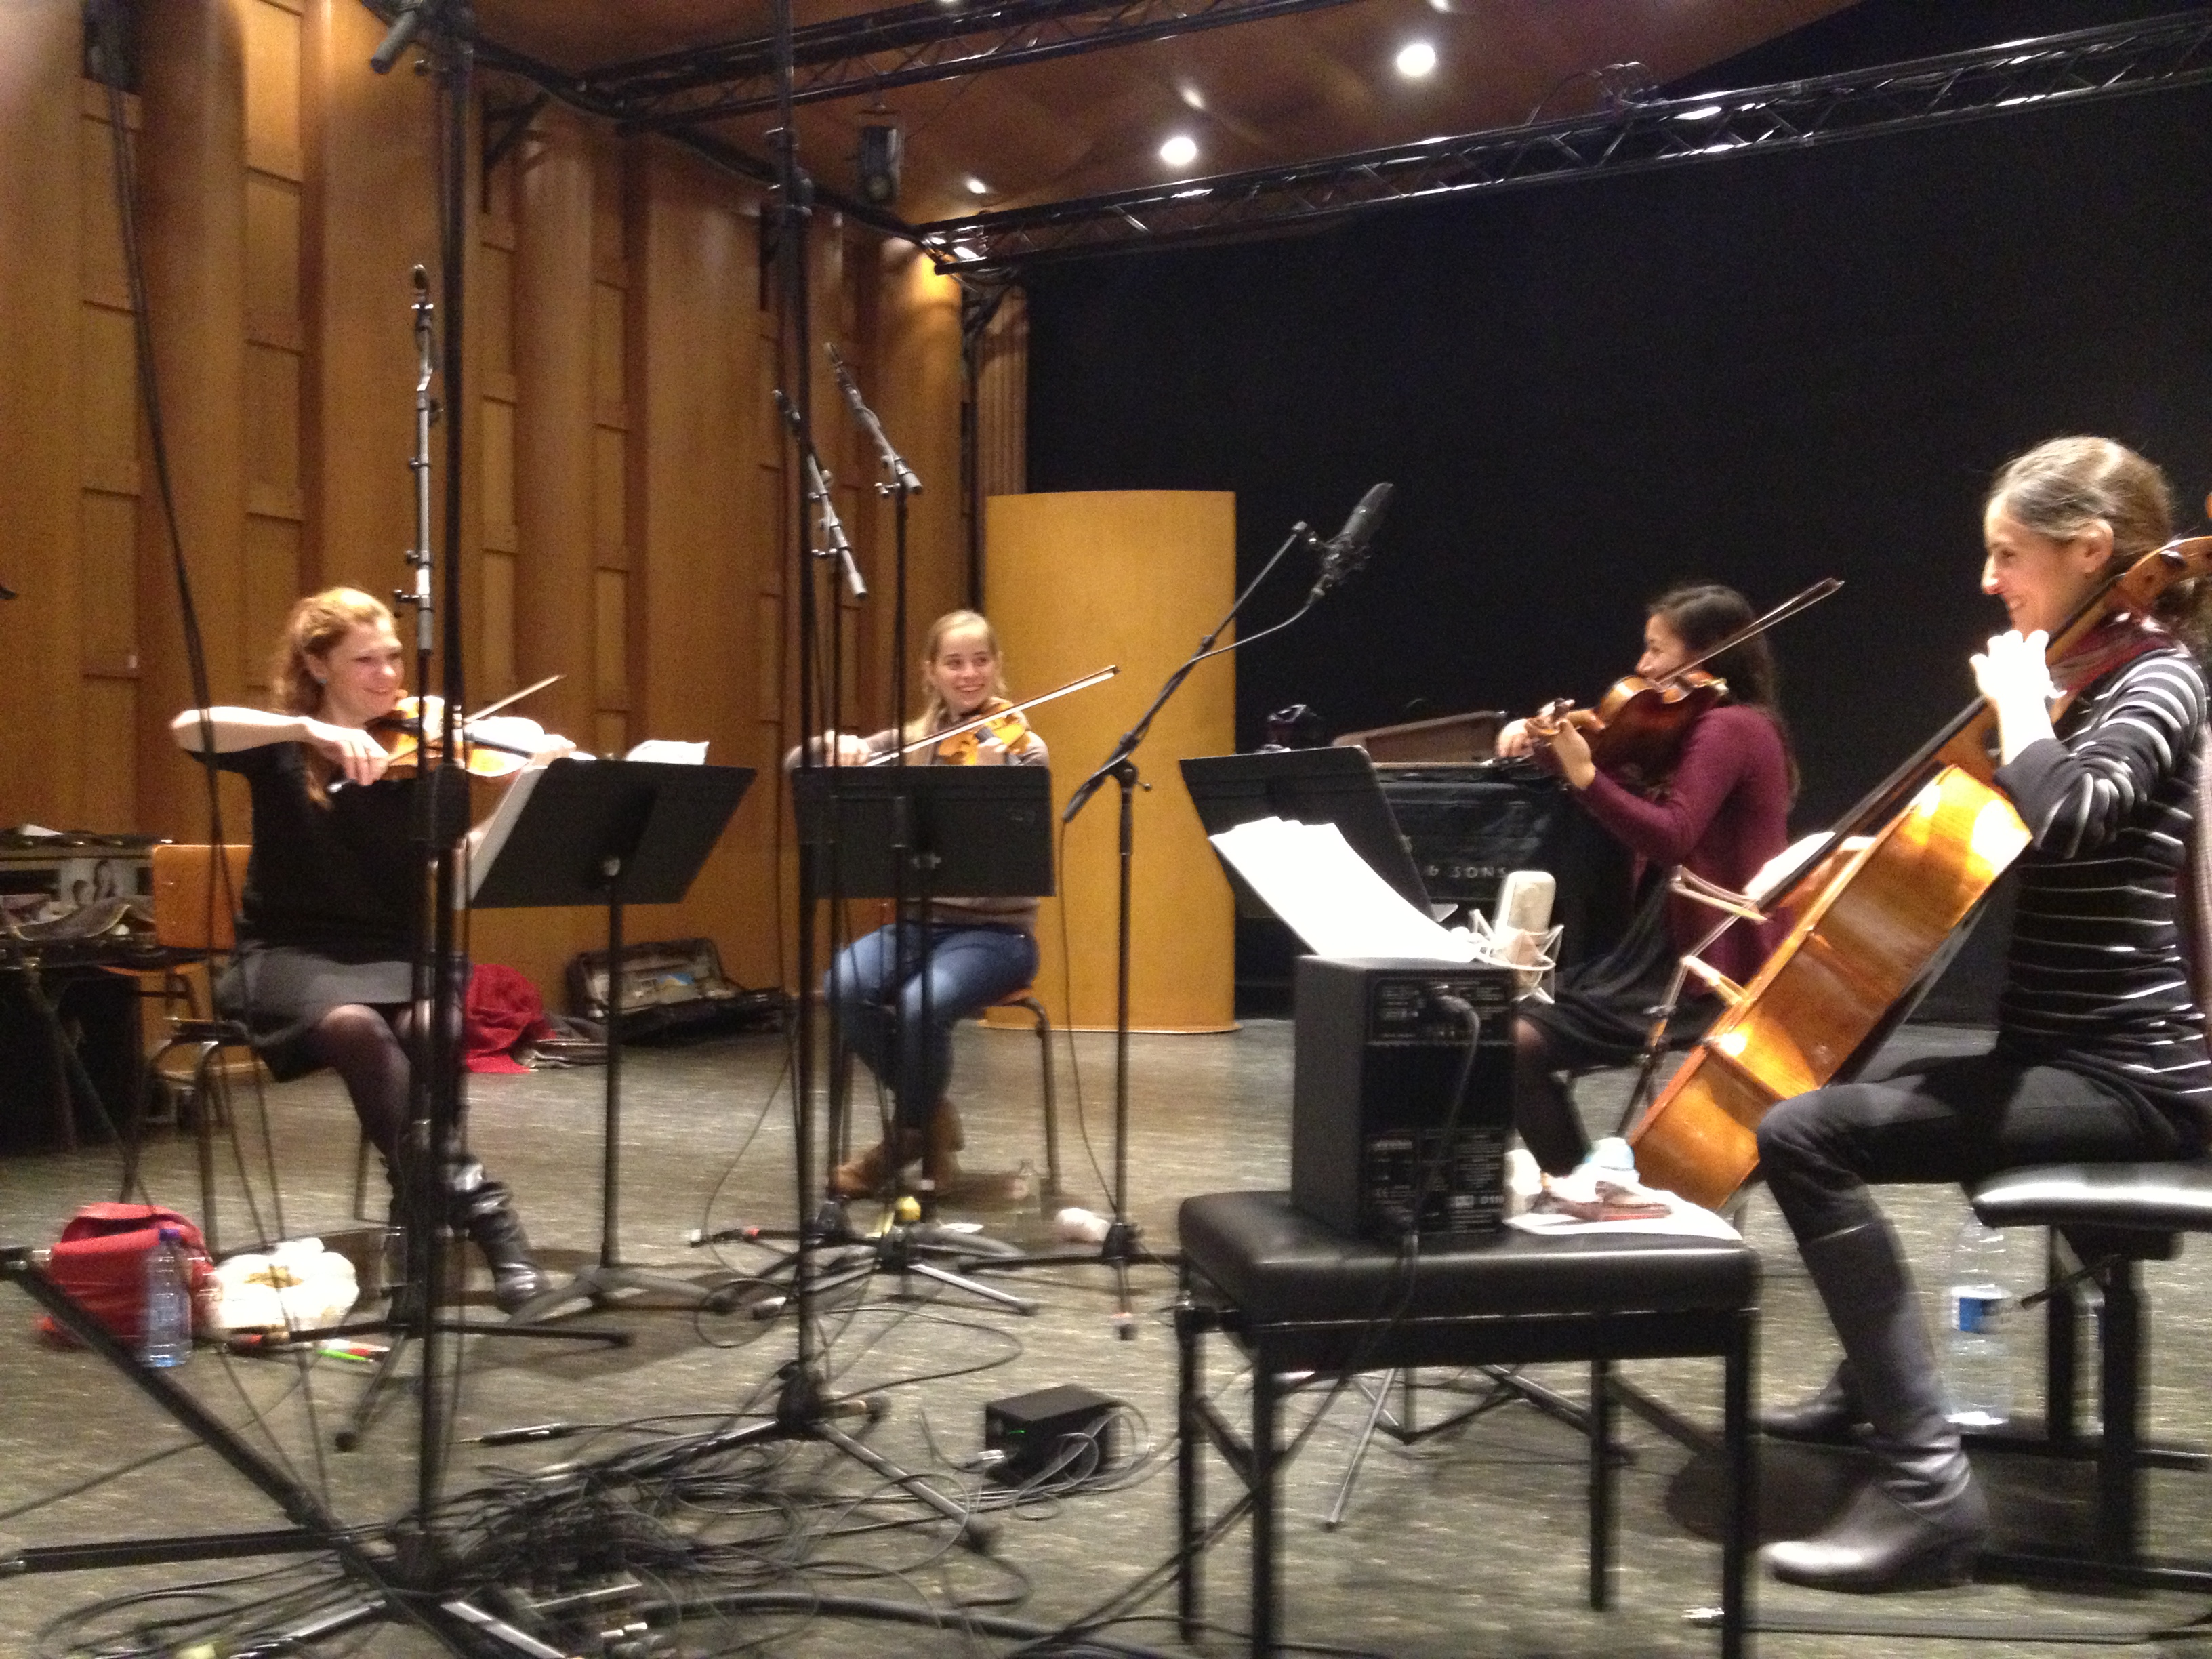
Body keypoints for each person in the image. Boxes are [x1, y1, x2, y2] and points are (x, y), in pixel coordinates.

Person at [1755, 436, 2212, 1591]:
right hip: (2062, 1054)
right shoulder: (2089, 679)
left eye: (2007, 553)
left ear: (2088, 549)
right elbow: (1972, 838)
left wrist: (2018, 708)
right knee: (1841, 1089)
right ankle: (1872, 1385)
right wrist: (1832, 852)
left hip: (2137, 1080)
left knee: (1803, 1136)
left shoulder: (2158, 676)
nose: (1988, 578)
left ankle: (1926, 1493)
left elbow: (2072, 815)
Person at [169, 587, 566, 1315]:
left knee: (435, 1024)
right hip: (289, 953)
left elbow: (455, 874)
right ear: (318, 666)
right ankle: (489, 1218)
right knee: (355, 1025)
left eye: (393, 658)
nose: (389, 676)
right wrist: (307, 730)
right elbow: (188, 727)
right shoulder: (280, 749)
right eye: (366, 661)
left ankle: (416, 1218)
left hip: (395, 949)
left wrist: (526, 794)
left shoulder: (430, 758)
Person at [1497, 583, 1796, 1176]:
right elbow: (1621, 783)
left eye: (1657, 650)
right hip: (1659, 953)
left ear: (1705, 654)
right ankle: (1583, 1186)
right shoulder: (1704, 725)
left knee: (1509, 1043)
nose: (1643, 666)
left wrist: (1584, 775)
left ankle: (1584, 1188)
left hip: (1704, 970)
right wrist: (1544, 745)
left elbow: (1671, 835)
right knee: (1494, 1019)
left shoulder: (1731, 728)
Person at [792, 609, 1048, 1199]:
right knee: (843, 986)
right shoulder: (910, 744)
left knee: (919, 1004)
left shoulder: (1025, 749)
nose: (969, 674)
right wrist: (834, 745)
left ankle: (904, 1137)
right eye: (954, 663)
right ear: (930, 672)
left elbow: (1013, 862)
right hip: (919, 925)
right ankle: (931, 1119)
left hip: (998, 936)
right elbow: (798, 766)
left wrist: (992, 786)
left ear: (998, 666)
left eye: (980, 661)